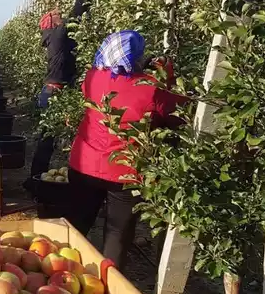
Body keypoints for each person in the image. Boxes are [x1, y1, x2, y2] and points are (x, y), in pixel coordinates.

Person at [65, 30, 184, 269]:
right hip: (124, 171)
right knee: (117, 233)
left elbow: (109, 80)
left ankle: (62, 271)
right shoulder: (152, 87)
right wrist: (166, 75)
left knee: (77, 223)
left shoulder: (92, 78)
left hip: (84, 165)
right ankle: (110, 286)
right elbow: (178, 115)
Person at [30, 0, 104, 179]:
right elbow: (78, 14)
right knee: (48, 138)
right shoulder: (59, 35)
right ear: (53, 23)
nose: (61, 16)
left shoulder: (56, 39)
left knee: (50, 137)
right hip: (55, 93)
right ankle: (37, 180)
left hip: (55, 91)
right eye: (57, 16)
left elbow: (80, 20)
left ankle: (38, 176)